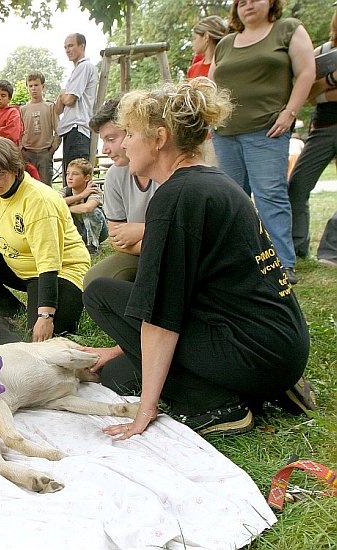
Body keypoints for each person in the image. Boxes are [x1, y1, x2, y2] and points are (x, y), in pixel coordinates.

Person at [82, 78, 310, 438]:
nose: (124, 143)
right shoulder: (211, 182)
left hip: (255, 352)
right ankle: (262, 387)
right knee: (116, 376)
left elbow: (160, 316)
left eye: (130, 134)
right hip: (279, 345)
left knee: (99, 293)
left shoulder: (176, 198)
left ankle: (221, 405)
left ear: (159, 139)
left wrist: (146, 409)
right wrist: (119, 346)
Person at [210, 0, 316, 285]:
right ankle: (239, 261)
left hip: (267, 130)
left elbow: (307, 71)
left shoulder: (287, 29)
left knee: (270, 194)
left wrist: (289, 112)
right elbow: (212, 84)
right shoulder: (226, 43)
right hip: (225, 133)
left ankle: (282, 262)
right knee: (232, 200)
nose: (247, 4)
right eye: (241, 1)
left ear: (271, 2)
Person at [0, 137, 90, 342]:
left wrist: (45, 316)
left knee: (44, 340)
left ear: (15, 170)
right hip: (22, 268)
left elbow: (49, 263)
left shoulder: (38, 200)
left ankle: (55, 307)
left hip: (60, 270)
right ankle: (11, 310)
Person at [83, 98, 158, 287]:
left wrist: (141, 230)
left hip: (178, 255)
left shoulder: (167, 169)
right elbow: (117, 240)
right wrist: (154, 243)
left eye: (111, 139)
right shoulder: (115, 176)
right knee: (95, 281)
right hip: (138, 252)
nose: (105, 150)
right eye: (103, 141)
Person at [287, 7, 337, 259]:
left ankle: (331, 250)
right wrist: (332, 80)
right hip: (322, 128)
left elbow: (317, 94)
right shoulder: (322, 51)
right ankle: (298, 246)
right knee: (297, 185)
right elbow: (308, 94)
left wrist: (323, 91)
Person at [55, 33, 98, 176]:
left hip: (78, 129)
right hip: (71, 130)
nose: (67, 50)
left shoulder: (84, 67)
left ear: (82, 46)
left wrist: (62, 94)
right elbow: (57, 109)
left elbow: (69, 100)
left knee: (76, 179)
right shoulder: (75, 71)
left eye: (71, 45)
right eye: (65, 47)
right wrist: (63, 96)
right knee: (70, 179)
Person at [20, 71, 60, 186]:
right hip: (27, 153)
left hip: (44, 152)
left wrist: (52, 150)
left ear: (43, 86)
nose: (33, 89)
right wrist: (21, 149)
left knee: (45, 186)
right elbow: (19, 132)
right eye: (30, 86)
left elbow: (58, 130)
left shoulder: (50, 107)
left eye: (36, 85)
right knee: (28, 186)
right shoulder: (23, 109)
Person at [62, 158, 108, 256]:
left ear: (86, 178)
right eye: (67, 173)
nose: (69, 177)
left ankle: (92, 245)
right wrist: (81, 195)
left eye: (75, 174)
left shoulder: (94, 190)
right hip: (76, 230)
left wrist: (65, 209)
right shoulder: (65, 191)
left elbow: (87, 208)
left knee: (93, 212)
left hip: (99, 232)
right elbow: (54, 202)